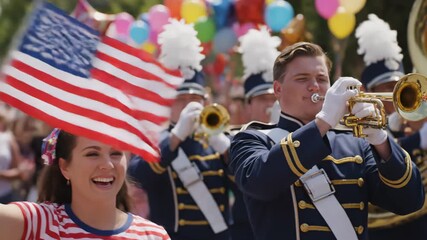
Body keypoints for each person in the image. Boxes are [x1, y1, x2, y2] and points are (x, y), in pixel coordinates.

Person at [228, 41, 425, 240]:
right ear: (278, 89)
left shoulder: (354, 142)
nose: (314, 86)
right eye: (302, 78)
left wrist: (381, 139)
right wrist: (324, 122)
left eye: (321, 78)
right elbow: (261, 183)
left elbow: (409, 202)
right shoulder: (252, 139)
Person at [127, 19, 231, 240]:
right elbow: (138, 177)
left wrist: (225, 147)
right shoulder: (155, 141)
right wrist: (175, 137)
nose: (189, 104)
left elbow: (248, 183)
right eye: (181, 99)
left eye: (195, 98)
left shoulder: (218, 140)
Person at [0, 128, 170, 239]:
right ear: (65, 166)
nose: (107, 164)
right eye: (92, 154)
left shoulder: (153, 235)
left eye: (116, 154)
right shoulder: (38, 223)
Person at [356, 14, 427, 240]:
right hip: (382, 231)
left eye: (399, 86)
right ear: (369, 91)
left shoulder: (412, 123)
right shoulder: (357, 126)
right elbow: (369, 157)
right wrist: (417, 140)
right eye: (387, 88)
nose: (394, 96)